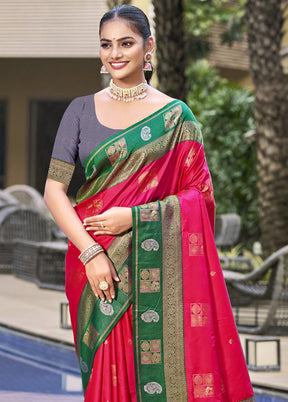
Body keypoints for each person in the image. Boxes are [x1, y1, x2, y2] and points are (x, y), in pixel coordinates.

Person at [44, 5, 255, 402]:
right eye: (106, 45)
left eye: (126, 43)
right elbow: (55, 191)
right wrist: (91, 254)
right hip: (97, 268)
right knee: (107, 378)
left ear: (149, 47)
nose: (115, 53)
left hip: (155, 265)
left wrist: (136, 218)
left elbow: (199, 197)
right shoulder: (79, 111)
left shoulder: (177, 117)